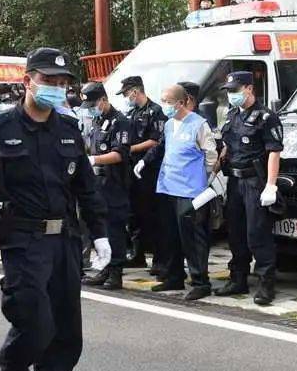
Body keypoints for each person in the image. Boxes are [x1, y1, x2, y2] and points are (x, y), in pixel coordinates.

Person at [0, 47, 109, 371]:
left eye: (61, 83)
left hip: (65, 242)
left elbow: (87, 189)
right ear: (27, 81)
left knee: (67, 331)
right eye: (48, 81)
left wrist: (101, 234)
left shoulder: (69, 131)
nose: (56, 88)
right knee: (34, 321)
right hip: (23, 240)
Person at [141, 85, 218, 301]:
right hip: (168, 186)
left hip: (191, 190)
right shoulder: (168, 125)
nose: (164, 105)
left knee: (193, 238)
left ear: (181, 103)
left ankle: (201, 281)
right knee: (170, 235)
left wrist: (205, 179)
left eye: (167, 101)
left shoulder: (198, 124)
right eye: (163, 100)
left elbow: (210, 156)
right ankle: (174, 275)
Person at [218, 71, 283, 305]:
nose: (231, 95)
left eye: (235, 90)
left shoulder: (266, 117)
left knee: (257, 234)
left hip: (255, 183)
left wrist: (271, 185)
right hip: (234, 181)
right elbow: (227, 146)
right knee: (235, 233)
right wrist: (215, 169)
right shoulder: (232, 115)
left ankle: (266, 284)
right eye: (229, 91)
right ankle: (238, 279)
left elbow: (274, 152)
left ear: (248, 88)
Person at [80, 82, 131, 291]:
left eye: (93, 104)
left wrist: (93, 160)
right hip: (97, 183)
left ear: (103, 99)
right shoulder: (96, 120)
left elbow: (120, 153)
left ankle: (116, 272)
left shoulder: (120, 122)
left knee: (115, 229)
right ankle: (105, 268)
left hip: (114, 183)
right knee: (100, 228)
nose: (91, 108)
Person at [119, 75, 167, 275]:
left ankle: (158, 259)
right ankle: (137, 256)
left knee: (152, 215)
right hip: (132, 169)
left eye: (126, 93)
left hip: (149, 169)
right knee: (135, 215)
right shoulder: (132, 112)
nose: (125, 97)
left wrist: (131, 148)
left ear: (135, 91)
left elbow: (156, 141)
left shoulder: (155, 112)